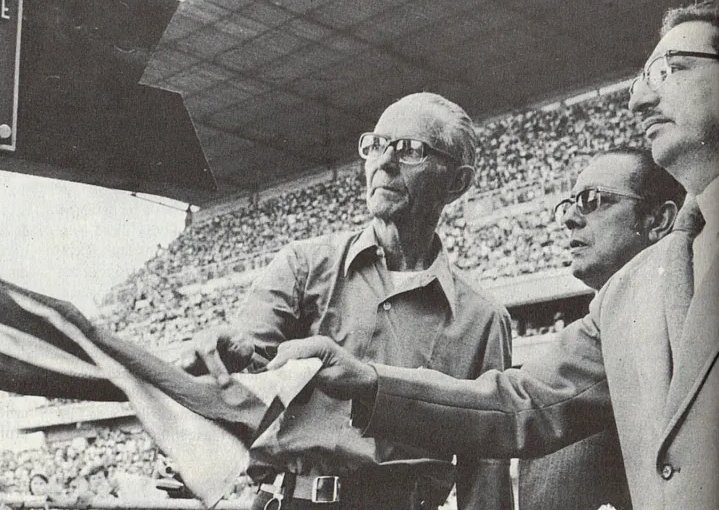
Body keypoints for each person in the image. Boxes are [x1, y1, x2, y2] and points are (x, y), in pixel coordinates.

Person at [265, 0, 719, 510]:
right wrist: (369, 381)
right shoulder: (634, 290)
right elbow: (519, 404)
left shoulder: (488, 313)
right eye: (644, 78)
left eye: (672, 70)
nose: (639, 100)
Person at [181, 92, 513, 510]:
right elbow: (246, 360)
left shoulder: (482, 320)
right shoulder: (304, 265)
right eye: (376, 145)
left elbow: (485, 474)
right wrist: (234, 356)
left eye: (410, 150)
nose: (383, 163)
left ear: (458, 182)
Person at [518, 147, 684, 510]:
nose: (570, 220)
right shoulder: (594, 332)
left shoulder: (685, 324)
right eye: (569, 204)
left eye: (592, 201)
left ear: (658, 221)